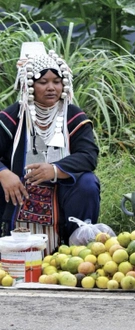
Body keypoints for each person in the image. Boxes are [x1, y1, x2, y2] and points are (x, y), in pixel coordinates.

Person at [0, 42, 100, 245]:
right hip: (18, 189)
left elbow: (88, 156)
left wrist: (55, 170)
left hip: (62, 190)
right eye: (43, 82)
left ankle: (76, 244)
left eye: (57, 81)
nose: (51, 88)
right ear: (30, 85)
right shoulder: (13, 116)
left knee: (88, 184)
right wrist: (4, 173)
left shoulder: (73, 116)